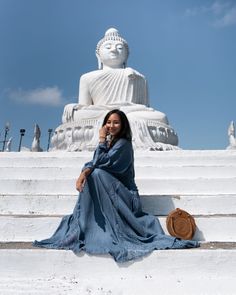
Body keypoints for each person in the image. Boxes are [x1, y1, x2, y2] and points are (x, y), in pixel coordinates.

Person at [33, 110, 198, 262]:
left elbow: (102, 163)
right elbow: (94, 162)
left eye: (116, 122)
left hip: (124, 196)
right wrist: (84, 172)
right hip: (109, 189)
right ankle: (86, 224)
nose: (111, 126)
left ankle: (92, 226)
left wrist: (100, 141)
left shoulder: (124, 145)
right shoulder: (111, 143)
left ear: (123, 125)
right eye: (109, 122)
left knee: (96, 174)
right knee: (93, 174)